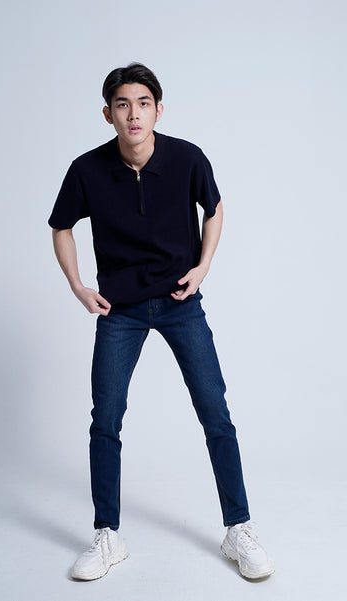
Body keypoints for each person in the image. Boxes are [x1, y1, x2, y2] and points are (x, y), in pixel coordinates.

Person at [48, 62, 274, 581]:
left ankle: (238, 528)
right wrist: (78, 286)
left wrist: (203, 266)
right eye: (123, 104)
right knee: (105, 419)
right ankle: (107, 535)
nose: (134, 114)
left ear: (158, 110)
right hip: (120, 310)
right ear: (108, 114)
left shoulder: (187, 158)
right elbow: (60, 226)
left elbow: (214, 208)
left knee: (215, 411)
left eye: (143, 103)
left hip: (179, 302)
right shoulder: (86, 170)